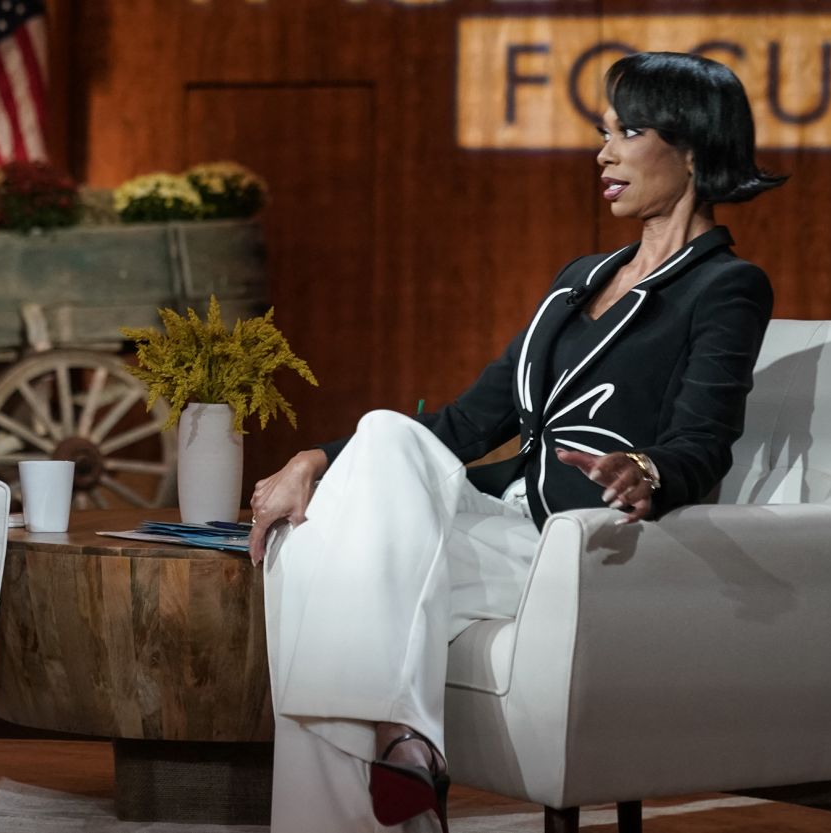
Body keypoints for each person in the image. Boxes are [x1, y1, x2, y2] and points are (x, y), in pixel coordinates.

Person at [247, 52, 786, 833]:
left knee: (329, 555)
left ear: (693, 147)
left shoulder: (726, 287)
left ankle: (394, 765)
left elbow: (705, 440)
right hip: (499, 524)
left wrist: (647, 469)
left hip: (576, 546)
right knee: (354, 482)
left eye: (626, 131)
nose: (602, 152)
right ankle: (401, 753)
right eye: (602, 132)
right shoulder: (580, 276)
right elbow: (463, 428)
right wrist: (311, 460)